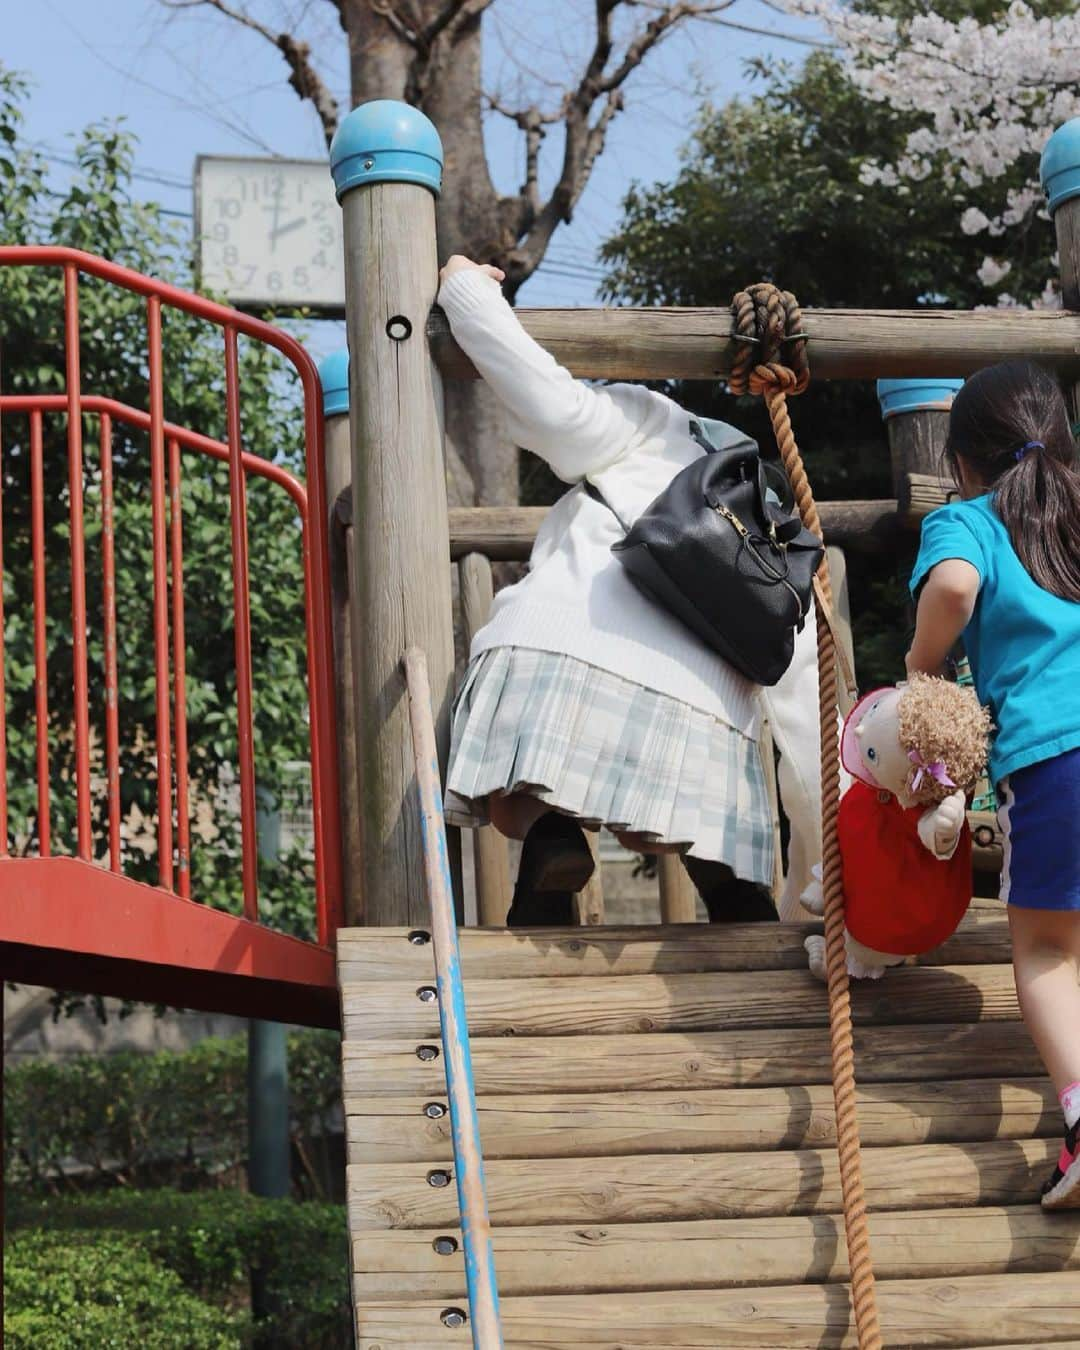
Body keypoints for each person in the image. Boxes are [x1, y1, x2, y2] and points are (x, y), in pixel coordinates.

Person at [437, 255, 824, 927]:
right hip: (702, 732)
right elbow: (809, 716)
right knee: (679, 805)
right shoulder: (775, 522)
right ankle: (733, 890)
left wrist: (465, 290)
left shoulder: (651, 422)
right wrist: (817, 890)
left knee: (513, 798)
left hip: (553, 663)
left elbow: (545, 399)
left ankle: (548, 839)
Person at [907, 358, 1080, 1209]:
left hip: (1057, 756)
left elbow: (953, 587)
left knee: (1049, 953)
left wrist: (920, 666)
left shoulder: (967, 522)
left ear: (960, 462)